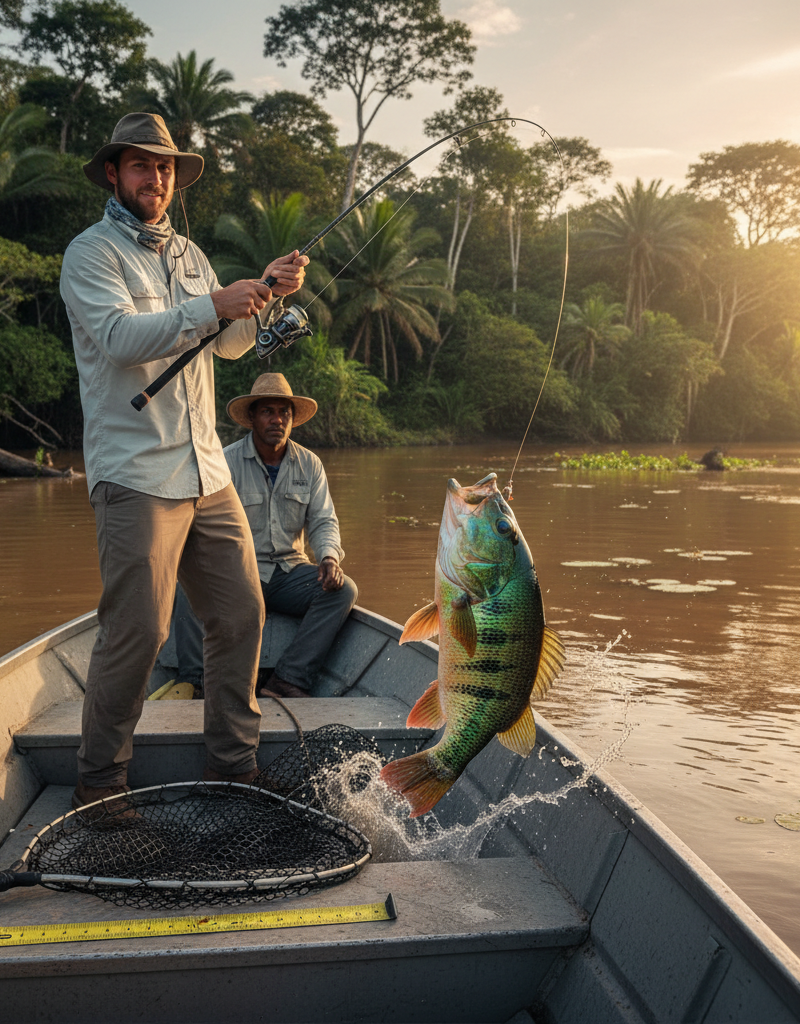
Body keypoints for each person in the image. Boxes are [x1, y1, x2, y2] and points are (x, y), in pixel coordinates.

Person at [59, 112, 309, 810]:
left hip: (207, 472)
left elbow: (228, 348)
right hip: (135, 475)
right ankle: (100, 782)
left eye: (165, 166)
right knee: (138, 633)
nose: (156, 177)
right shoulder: (91, 254)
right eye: (142, 165)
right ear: (114, 172)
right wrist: (212, 304)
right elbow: (118, 338)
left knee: (242, 613)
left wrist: (262, 294)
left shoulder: (191, 255)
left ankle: (236, 764)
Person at [174, 373, 357, 699]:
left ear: (292, 419)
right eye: (268, 412)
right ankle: (197, 682)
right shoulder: (224, 462)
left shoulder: (309, 464)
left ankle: (288, 679)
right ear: (252, 419)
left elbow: (323, 520)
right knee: (184, 587)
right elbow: (197, 522)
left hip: (289, 573)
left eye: (284, 412)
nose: (277, 419)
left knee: (342, 592)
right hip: (236, 572)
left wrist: (329, 557)